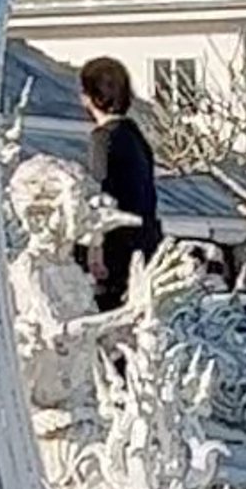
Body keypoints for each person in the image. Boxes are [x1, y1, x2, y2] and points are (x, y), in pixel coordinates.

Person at [77, 54, 163, 316]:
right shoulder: (136, 137)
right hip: (144, 241)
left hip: (116, 249)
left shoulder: (104, 138)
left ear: (89, 96)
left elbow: (102, 195)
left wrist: (95, 248)